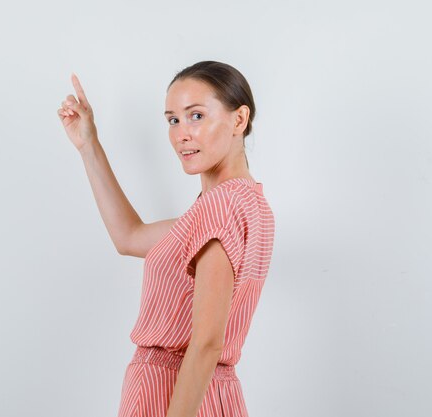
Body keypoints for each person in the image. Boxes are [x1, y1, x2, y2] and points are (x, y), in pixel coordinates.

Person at [57, 60, 275, 417]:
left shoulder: (222, 207)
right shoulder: (248, 205)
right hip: (213, 394)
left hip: (171, 391)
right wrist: (88, 145)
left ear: (239, 119)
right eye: (173, 120)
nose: (181, 134)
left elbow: (206, 343)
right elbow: (129, 237)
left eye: (196, 116)